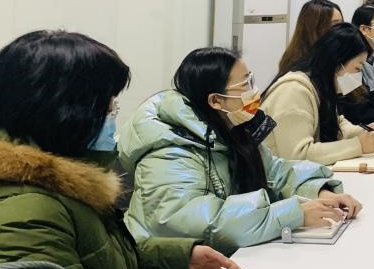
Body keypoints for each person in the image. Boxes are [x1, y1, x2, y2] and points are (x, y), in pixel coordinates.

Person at [0, 31, 244, 269]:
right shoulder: (21, 210)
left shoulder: (59, 185)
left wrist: (180, 258)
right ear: (64, 113)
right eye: (108, 108)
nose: (114, 119)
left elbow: (92, 260)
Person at [120, 47, 360, 253]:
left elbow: (275, 171)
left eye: (251, 80)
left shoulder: (230, 128)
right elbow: (199, 223)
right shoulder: (170, 152)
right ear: (215, 101)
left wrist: (320, 192)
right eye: (245, 85)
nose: (253, 92)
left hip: (228, 256)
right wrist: (293, 214)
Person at [261, 23, 374, 165]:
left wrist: (363, 132)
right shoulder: (293, 91)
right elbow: (297, 155)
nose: (358, 76)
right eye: (357, 68)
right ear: (338, 61)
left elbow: (337, 124)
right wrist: (358, 145)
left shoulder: (322, 86)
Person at [278, 0, 343, 76]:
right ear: (312, 29)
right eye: (334, 25)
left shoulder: (335, 62)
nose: (342, 31)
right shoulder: (297, 77)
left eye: (342, 25)